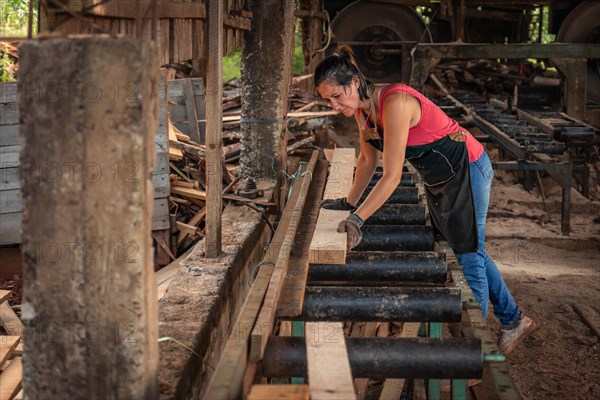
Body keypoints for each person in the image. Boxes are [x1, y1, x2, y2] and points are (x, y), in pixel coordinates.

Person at [315, 46, 537, 354]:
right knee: (471, 246)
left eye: (336, 96)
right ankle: (514, 321)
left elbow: (391, 176)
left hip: (467, 168)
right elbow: (367, 159)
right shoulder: (364, 113)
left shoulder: (396, 102)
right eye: (327, 100)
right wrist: (350, 202)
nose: (334, 105)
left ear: (354, 83)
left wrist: (357, 220)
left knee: (468, 254)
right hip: (442, 178)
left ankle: (469, 355)